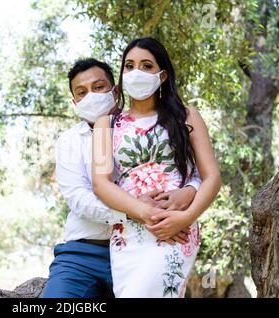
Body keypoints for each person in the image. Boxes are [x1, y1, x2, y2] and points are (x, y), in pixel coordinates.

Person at [42, 58, 202, 298]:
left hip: (149, 243)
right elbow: (79, 199)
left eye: (98, 87)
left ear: (115, 90)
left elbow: (192, 174)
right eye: (81, 92)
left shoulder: (154, 126)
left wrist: (189, 191)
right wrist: (135, 213)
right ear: (75, 102)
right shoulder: (70, 142)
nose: (91, 96)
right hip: (86, 253)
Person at [92, 38, 221, 298]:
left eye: (146, 66)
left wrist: (186, 217)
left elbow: (212, 178)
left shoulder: (187, 116)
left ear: (162, 76)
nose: (136, 72)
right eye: (129, 66)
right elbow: (101, 183)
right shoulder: (106, 124)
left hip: (176, 228)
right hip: (128, 232)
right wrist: (143, 211)